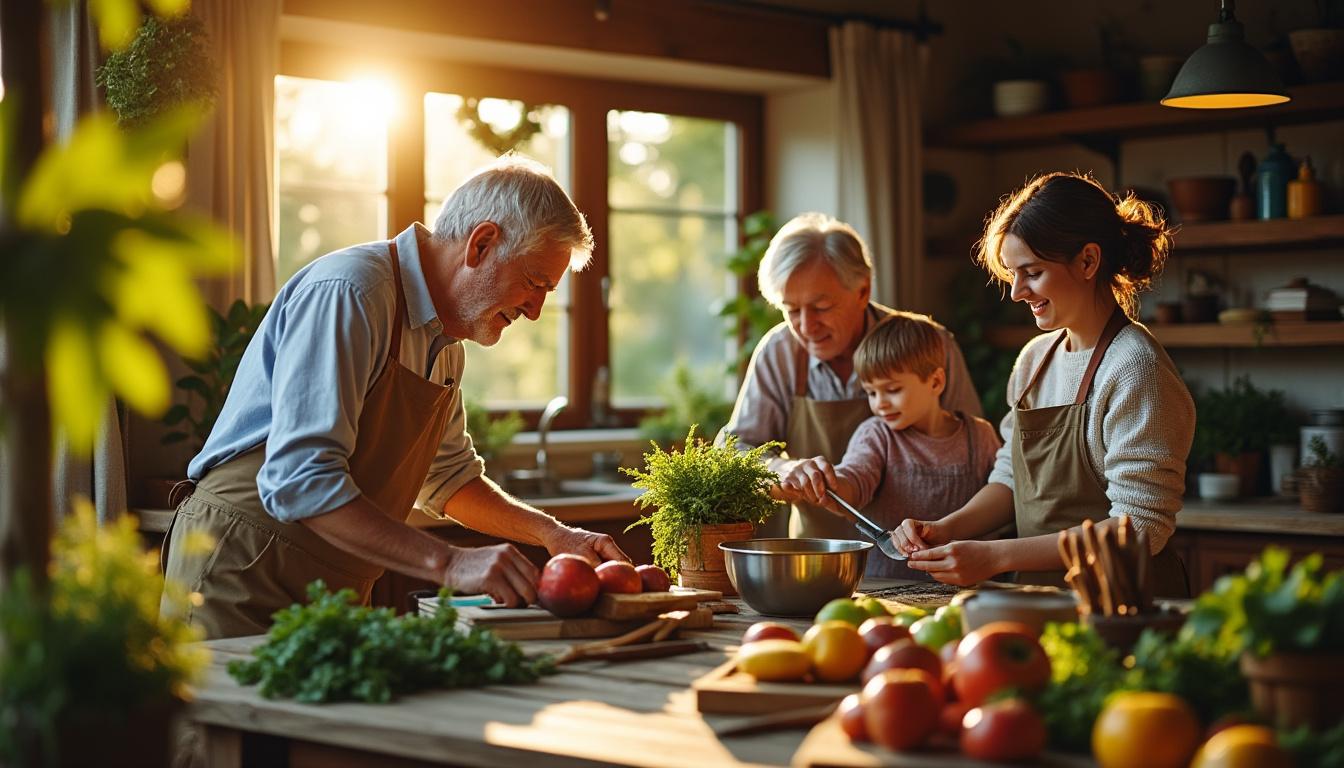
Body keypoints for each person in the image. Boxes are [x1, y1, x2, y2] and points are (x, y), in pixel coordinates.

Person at [161, 156, 627, 640]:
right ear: (482, 243)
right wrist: (448, 562)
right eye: (534, 283)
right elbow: (299, 479)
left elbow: (449, 481)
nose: (535, 311)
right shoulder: (352, 292)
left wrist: (555, 535)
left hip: (334, 586)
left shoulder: (446, 346)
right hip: (243, 568)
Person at [893, 172, 1195, 596]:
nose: (1017, 292)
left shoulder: (1135, 370)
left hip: (1124, 608)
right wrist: (946, 529)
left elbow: (1140, 529)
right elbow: (1012, 476)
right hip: (1043, 600)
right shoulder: (1036, 359)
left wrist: (997, 557)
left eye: (1031, 272)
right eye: (1012, 275)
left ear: (1088, 261)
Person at [717, 212, 981, 540]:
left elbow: (974, 451)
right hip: (817, 559)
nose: (806, 326)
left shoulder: (929, 344)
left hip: (924, 555)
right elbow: (733, 451)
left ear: (863, 290)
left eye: (822, 307)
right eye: (791, 309)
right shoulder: (779, 352)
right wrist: (782, 468)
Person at [778, 312, 1000, 579]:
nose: (879, 403)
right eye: (871, 392)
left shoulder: (980, 435)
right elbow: (854, 481)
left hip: (965, 590)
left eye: (892, 390)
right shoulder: (875, 435)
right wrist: (832, 483)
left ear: (935, 381)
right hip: (887, 590)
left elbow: (1001, 500)